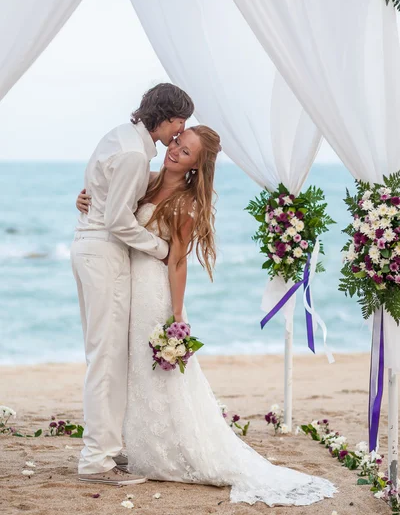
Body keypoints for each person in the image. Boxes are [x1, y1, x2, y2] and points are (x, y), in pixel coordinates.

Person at [76, 124, 336, 506]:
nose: (176, 150)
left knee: (157, 373)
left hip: (153, 291)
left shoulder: (184, 202)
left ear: (195, 167)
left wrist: (178, 313)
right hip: (124, 280)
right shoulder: (146, 181)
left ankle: (167, 450)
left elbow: (177, 260)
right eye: (178, 142)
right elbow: (111, 202)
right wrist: (85, 199)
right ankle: (134, 445)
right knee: (130, 368)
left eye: (186, 152)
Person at [70, 83, 194, 485]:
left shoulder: (123, 140)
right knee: (106, 358)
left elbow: (103, 196)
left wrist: (88, 200)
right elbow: (118, 221)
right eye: (179, 122)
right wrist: (160, 249)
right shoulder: (133, 153)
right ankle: (96, 461)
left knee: (107, 355)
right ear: (165, 115)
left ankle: (107, 448)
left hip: (94, 248)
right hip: (104, 252)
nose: (179, 132)